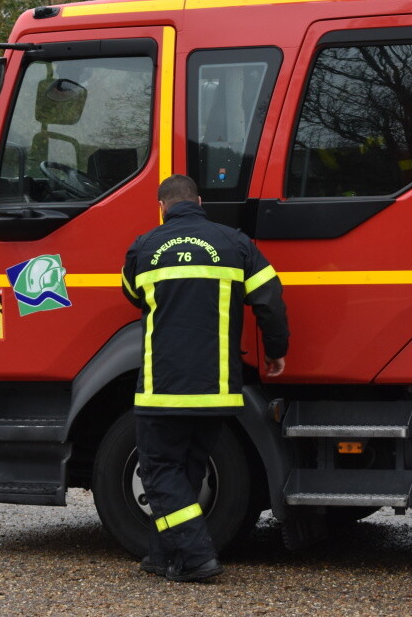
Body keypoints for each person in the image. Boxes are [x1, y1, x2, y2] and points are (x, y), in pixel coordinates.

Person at [121, 174, 290, 582]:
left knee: (159, 473)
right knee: (187, 473)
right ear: (199, 202)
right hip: (217, 389)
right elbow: (270, 298)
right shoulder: (235, 243)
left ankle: (198, 558)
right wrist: (275, 349)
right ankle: (162, 557)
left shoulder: (144, 247)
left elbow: (131, 293)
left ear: (162, 207)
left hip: (163, 389)